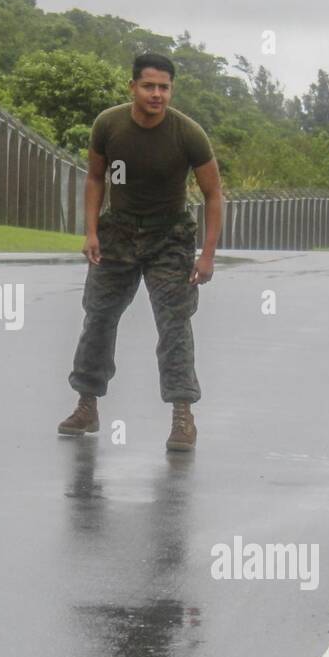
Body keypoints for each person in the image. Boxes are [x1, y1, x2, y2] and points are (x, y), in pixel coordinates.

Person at [57, 53, 224, 451]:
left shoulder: (188, 134)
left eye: (164, 87)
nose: (157, 94)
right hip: (119, 233)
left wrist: (207, 255)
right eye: (149, 86)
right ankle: (87, 404)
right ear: (132, 87)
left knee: (174, 325)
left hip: (169, 238)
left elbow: (214, 193)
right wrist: (91, 231)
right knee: (98, 317)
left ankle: (183, 416)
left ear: (171, 90)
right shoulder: (109, 125)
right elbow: (96, 178)